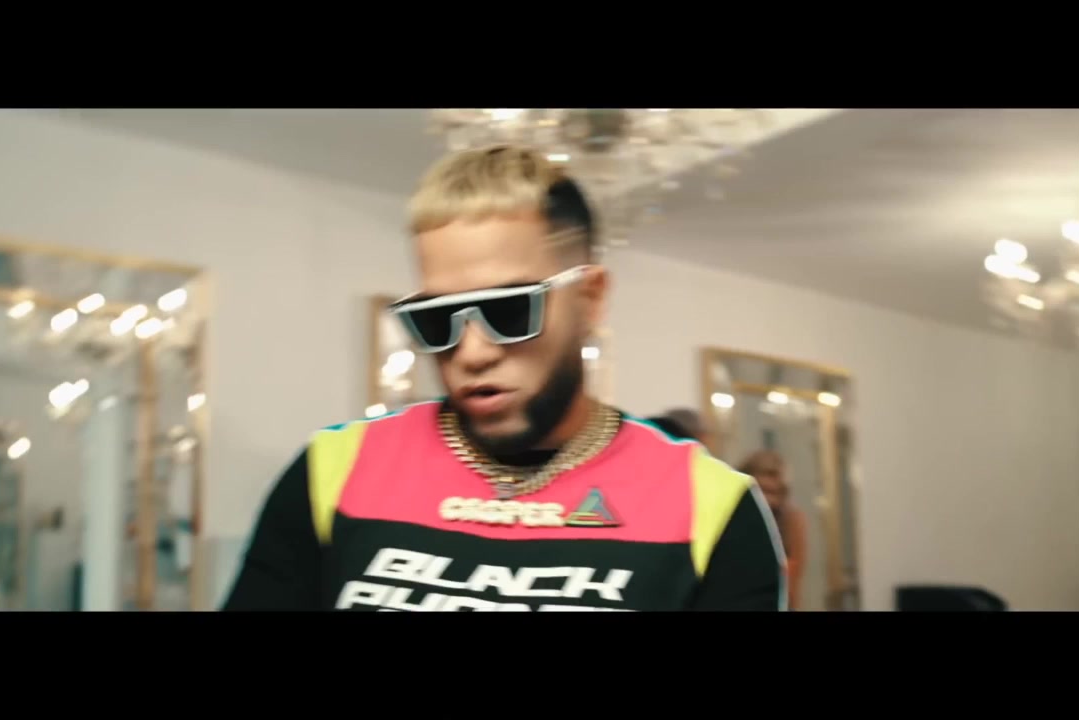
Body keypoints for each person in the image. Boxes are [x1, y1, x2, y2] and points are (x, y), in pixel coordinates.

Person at [224, 145, 786, 611]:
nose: (471, 353)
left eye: (510, 310)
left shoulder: (711, 507)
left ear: (590, 298)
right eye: (436, 319)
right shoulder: (331, 472)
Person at [738, 449, 808, 610]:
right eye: (763, 491)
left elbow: (790, 585)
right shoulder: (734, 522)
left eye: (776, 493)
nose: (769, 501)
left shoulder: (792, 522)